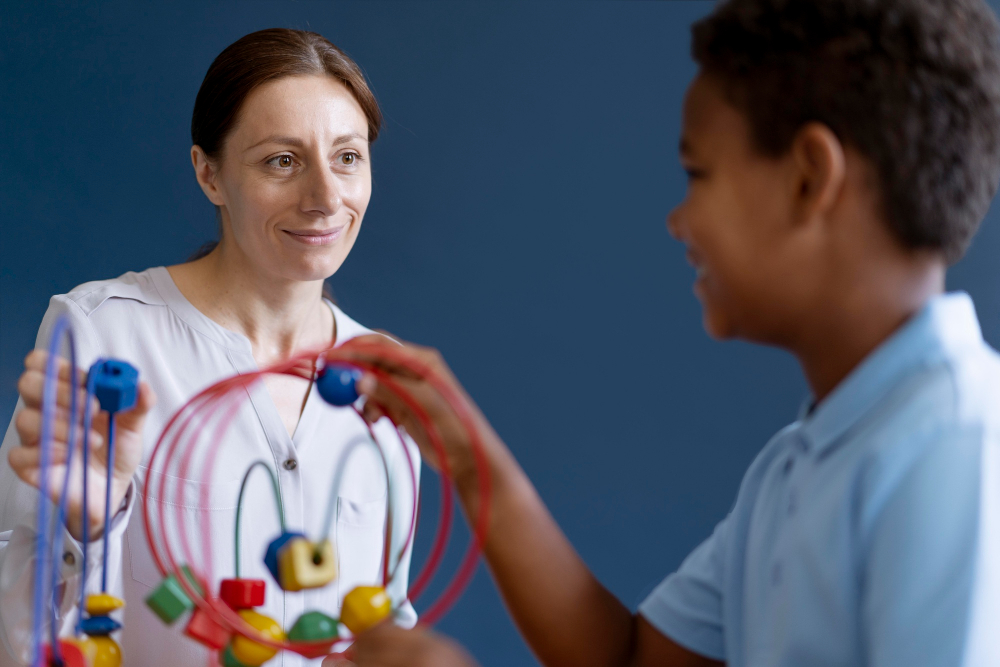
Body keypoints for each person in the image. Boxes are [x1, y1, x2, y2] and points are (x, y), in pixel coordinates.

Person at [331, 0, 1000, 665]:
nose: (679, 221)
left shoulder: (959, 446)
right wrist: (474, 465)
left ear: (808, 178)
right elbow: (630, 659)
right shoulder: (798, 463)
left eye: (698, 174)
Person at [0, 29, 419, 667]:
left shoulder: (386, 375)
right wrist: (86, 528)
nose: (325, 198)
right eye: (282, 160)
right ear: (209, 174)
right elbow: (15, 625)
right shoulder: (105, 335)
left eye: (347, 157)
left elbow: (388, 618)